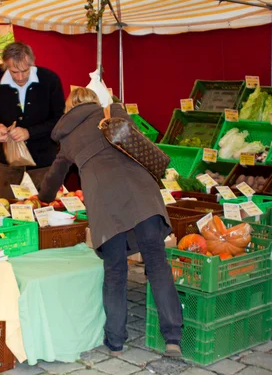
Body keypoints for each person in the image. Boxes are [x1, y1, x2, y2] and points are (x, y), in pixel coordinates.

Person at [38, 87, 183, 357]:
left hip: (105, 206)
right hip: (143, 197)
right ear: (96, 101)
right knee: (157, 263)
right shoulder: (113, 111)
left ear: (69, 108)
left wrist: (43, 197)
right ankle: (173, 337)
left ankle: (115, 340)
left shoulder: (68, 137)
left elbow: (52, 181)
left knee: (115, 271)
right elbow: (141, 143)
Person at [0, 42, 65, 199]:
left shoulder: (49, 80)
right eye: (14, 72)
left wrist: (29, 132)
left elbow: (59, 118)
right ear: (6, 65)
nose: (20, 77)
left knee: (45, 208)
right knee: (7, 207)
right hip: (8, 162)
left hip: (43, 161)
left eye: (24, 71)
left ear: (32, 63)